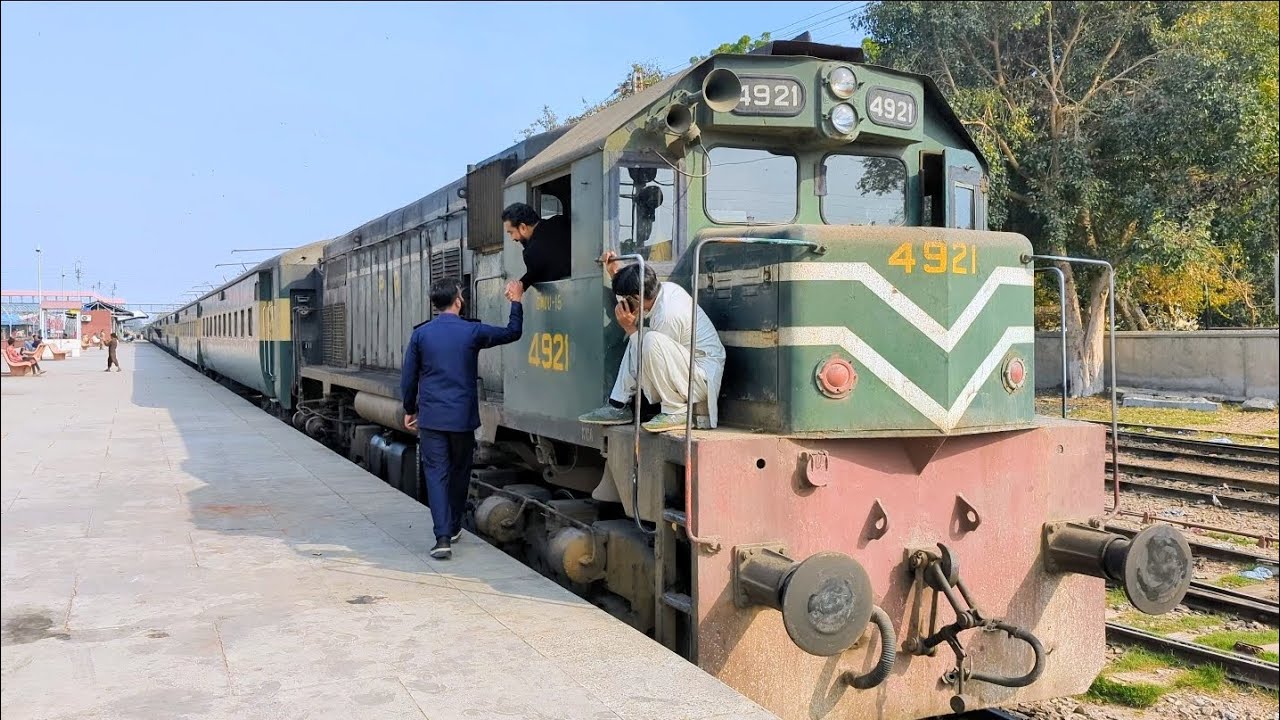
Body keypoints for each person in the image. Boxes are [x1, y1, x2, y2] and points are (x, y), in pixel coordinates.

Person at [400, 278, 524, 560]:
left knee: (436, 474)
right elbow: (513, 332)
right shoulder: (472, 332)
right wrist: (516, 301)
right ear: (458, 301)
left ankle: (442, 537)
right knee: (459, 473)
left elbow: (408, 377)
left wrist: (410, 408)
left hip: (432, 419)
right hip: (462, 420)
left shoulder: (421, 335)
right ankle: (454, 526)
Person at [578, 252, 726, 433]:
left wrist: (630, 329)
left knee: (646, 340)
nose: (623, 303)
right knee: (642, 337)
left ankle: (677, 411)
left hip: (699, 379)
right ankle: (618, 404)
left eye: (626, 299)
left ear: (637, 298)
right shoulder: (662, 291)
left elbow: (654, 362)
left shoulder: (668, 315)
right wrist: (615, 274)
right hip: (688, 368)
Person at [501, 202, 570, 299]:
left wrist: (520, 285)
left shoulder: (531, 253)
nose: (512, 238)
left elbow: (536, 272)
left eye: (511, 232)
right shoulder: (560, 221)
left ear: (523, 227)